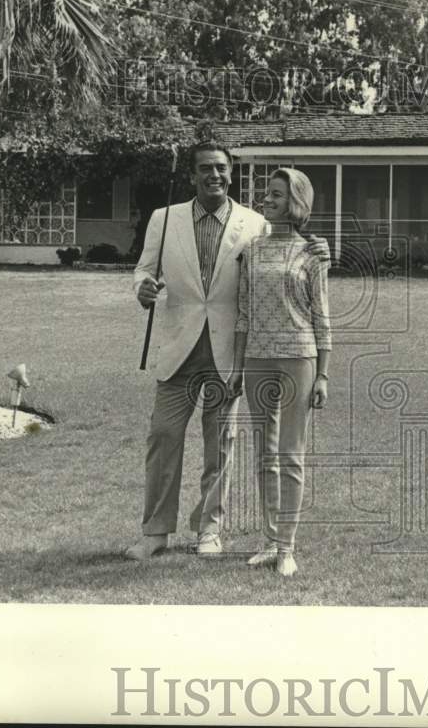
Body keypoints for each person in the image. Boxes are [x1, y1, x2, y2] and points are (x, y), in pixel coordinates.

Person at [125, 141, 267, 560]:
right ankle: (155, 532)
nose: (215, 176)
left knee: (220, 441)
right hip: (178, 346)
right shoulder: (164, 219)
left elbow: (262, 284)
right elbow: (143, 269)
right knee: (164, 435)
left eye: (221, 168)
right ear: (192, 175)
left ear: (231, 173)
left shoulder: (255, 223)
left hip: (229, 348)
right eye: (205, 168)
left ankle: (209, 530)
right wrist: (143, 289)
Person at [228, 168, 332, 577]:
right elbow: (243, 315)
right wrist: (237, 368)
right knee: (264, 454)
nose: (266, 199)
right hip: (257, 360)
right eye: (266, 193)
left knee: (290, 455)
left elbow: (322, 315)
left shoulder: (312, 253)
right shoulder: (252, 250)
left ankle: (287, 546)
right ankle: (269, 540)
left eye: (275, 194)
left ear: (296, 203)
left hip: (298, 359)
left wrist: (323, 373)